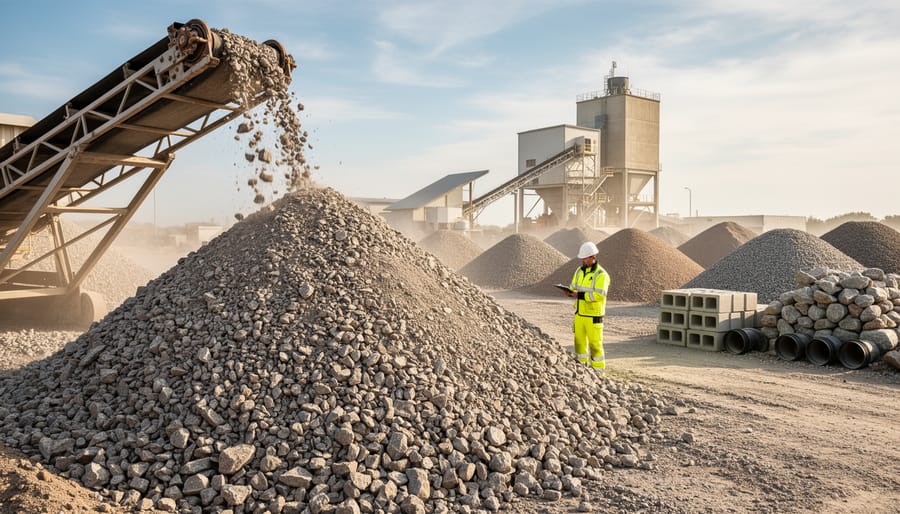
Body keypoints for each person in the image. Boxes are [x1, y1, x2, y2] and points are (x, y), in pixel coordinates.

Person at [564, 241, 610, 371]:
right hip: (580, 315)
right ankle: (581, 372)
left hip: (594, 317)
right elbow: (574, 287)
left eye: (585, 258)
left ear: (593, 257)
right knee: (579, 345)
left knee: (595, 346)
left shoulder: (602, 275)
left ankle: (599, 375)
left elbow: (599, 295)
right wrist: (569, 292)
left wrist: (579, 295)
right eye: (582, 258)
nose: (583, 261)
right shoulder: (579, 271)